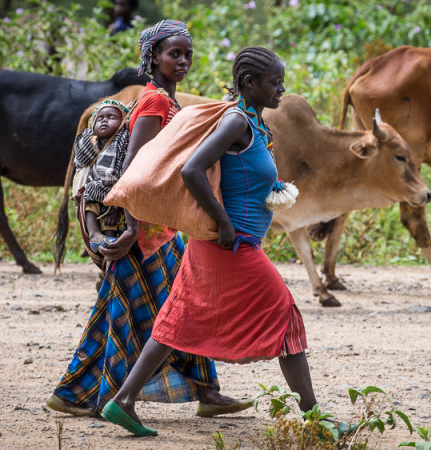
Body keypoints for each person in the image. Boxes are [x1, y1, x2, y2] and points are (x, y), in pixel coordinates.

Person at [100, 47, 322, 437]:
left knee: (175, 320)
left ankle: (123, 401)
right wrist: (223, 222)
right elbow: (192, 169)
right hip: (231, 247)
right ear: (249, 84)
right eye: (275, 82)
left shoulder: (252, 122)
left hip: (223, 245)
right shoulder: (236, 122)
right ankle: (316, 420)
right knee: (286, 317)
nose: (282, 89)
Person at [46, 19, 251, 420]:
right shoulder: (156, 101)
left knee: (153, 307)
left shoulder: (165, 100)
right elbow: (134, 167)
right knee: (141, 311)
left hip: (156, 226)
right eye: (175, 53)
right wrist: (132, 227)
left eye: (188, 53)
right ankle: (78, 394)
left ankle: (204, 391)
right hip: (143, 230)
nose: (183, 60)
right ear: (153, 56)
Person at [73, 99, 131, 253]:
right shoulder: (90, 140)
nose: (105, 120)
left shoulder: (123, 140)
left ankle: (108, 241)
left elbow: (122, 167)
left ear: (123, 122)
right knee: (89, 201)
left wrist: (114, 206)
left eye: (111, 117)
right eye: (100, 118)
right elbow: (80, 160)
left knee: (111, 217)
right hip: (94, 186)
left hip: (114, 187)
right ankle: (94, 233)